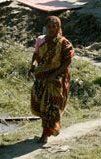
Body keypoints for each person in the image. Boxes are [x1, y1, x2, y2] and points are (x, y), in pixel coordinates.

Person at [29, 16, 74, 144]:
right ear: (45, 27)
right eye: (49, 26)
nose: (51, 29)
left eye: (54, 26)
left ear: (58, 27)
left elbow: (67, 61)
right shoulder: (40, 40)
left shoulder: (63, 42)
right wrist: (32, 66)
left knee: (51, 106)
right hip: (41, 77)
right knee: (39, 104)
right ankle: (47, 129)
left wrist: (54, 74)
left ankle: (45, 133)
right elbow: (36, 54)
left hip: (56, 79)